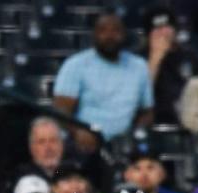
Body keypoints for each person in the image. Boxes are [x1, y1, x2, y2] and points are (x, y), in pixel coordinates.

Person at [53, 14, 153, 152]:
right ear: (94, 35)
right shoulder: (76, 64)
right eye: (103, 30)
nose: (109, 35)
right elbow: (61, 111)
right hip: (81, 145)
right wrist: (77, 132)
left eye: (115, 30)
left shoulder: (139, 66)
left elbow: (147, 112)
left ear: (124, 34)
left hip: (124, 146)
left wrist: (136, 133)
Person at [140, 6, 191, 126]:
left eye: (167, 27)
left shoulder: (190, 58)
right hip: (153, 121)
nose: (163, 32)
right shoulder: (138, 60)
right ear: (148, 34)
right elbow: (140, 95)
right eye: (157, 28)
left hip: (187, 121)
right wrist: (156, 57)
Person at [15, 117, 67, 185]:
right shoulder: (23, 177)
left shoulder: (74, 171)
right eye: (41, 142)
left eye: (53, 140)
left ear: (61, 145)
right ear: (32, 148)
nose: (48, 147)